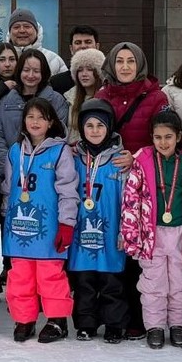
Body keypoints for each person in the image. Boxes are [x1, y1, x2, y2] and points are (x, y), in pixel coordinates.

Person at [0, 97, 78, 343]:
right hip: (19, 228)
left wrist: (67, 223)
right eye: (30, 117)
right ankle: (25, 319)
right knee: (20, 276)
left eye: (41, 117)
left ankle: (57, 321)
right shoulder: (15, 151)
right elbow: (8, 188)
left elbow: (68, 189)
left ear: (51, 121)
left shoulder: (60, 151)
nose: (35, 122)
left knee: (50, 276)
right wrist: (5, 215)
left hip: (48, 228)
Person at [123, 109, 182, 350]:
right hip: (150, 232)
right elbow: (131, 199)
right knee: (153, 282)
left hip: (181, 231)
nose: (163, 142)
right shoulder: (142, 160)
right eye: (157, 137)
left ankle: (179, 325)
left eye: (168, 137)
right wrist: (131, 234)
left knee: (180, 281)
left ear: (178, 136)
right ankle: (154, 325)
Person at [66, 98, 130, 342]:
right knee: (84, 283)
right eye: (89, 125)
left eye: (100, 126)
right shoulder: (73, 158)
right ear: (81, 128)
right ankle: (86, 323)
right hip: (81, 233)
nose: (94, 131)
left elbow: (128, 199)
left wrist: (125, 230)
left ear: (109, 128)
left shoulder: (120, 160)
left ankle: (115, 325)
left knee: (112, 283)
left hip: (110, 232)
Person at [0, 47, 70, 176]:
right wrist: (9, 167)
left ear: (43, 73)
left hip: (46, 172)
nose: (31, 75)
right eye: (26, 70)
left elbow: (58, 135)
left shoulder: (56, 101)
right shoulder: (6, 101)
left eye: (36, 71)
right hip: (13, 172)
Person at [96, 42, 170, 153]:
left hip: (144, 167)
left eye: (131, 61)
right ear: (112, 65)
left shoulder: (157, 98)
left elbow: (164, 140)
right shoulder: (101, 96)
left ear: (139, 64)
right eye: (119, 61)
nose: (125, 67)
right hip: (109, 167)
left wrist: (136, 159)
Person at [3, 9, 66, 76]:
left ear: (37, 31)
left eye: (27, 26)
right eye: (16, 27)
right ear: (9, 33)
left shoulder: (54, 60)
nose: (22, 31)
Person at [62, 47, 105, 134]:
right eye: (80, 70)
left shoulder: (106, 98)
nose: (84, 74)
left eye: (89, 69)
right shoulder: (70, 98)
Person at [50, 24, 101, 94]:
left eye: (88, 42)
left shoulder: (106, 79)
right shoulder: (57, 83)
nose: (83, 46)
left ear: (97, 47)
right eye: (78, 43)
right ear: (71, 49)